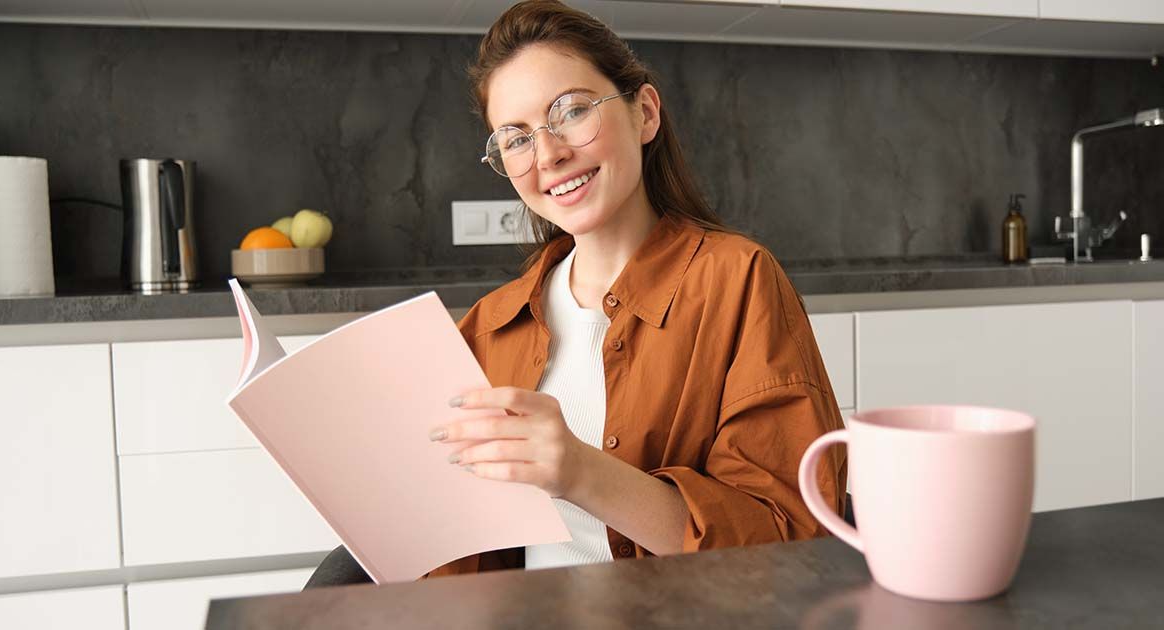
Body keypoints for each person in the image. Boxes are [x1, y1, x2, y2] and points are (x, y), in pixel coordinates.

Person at [305, 0, 846, 588]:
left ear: (644, 113)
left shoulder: (737, 280)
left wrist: (581, 471)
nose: (548, 154)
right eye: (514, 138)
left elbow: (792, 545)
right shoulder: (489, 325)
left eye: (571, 111)